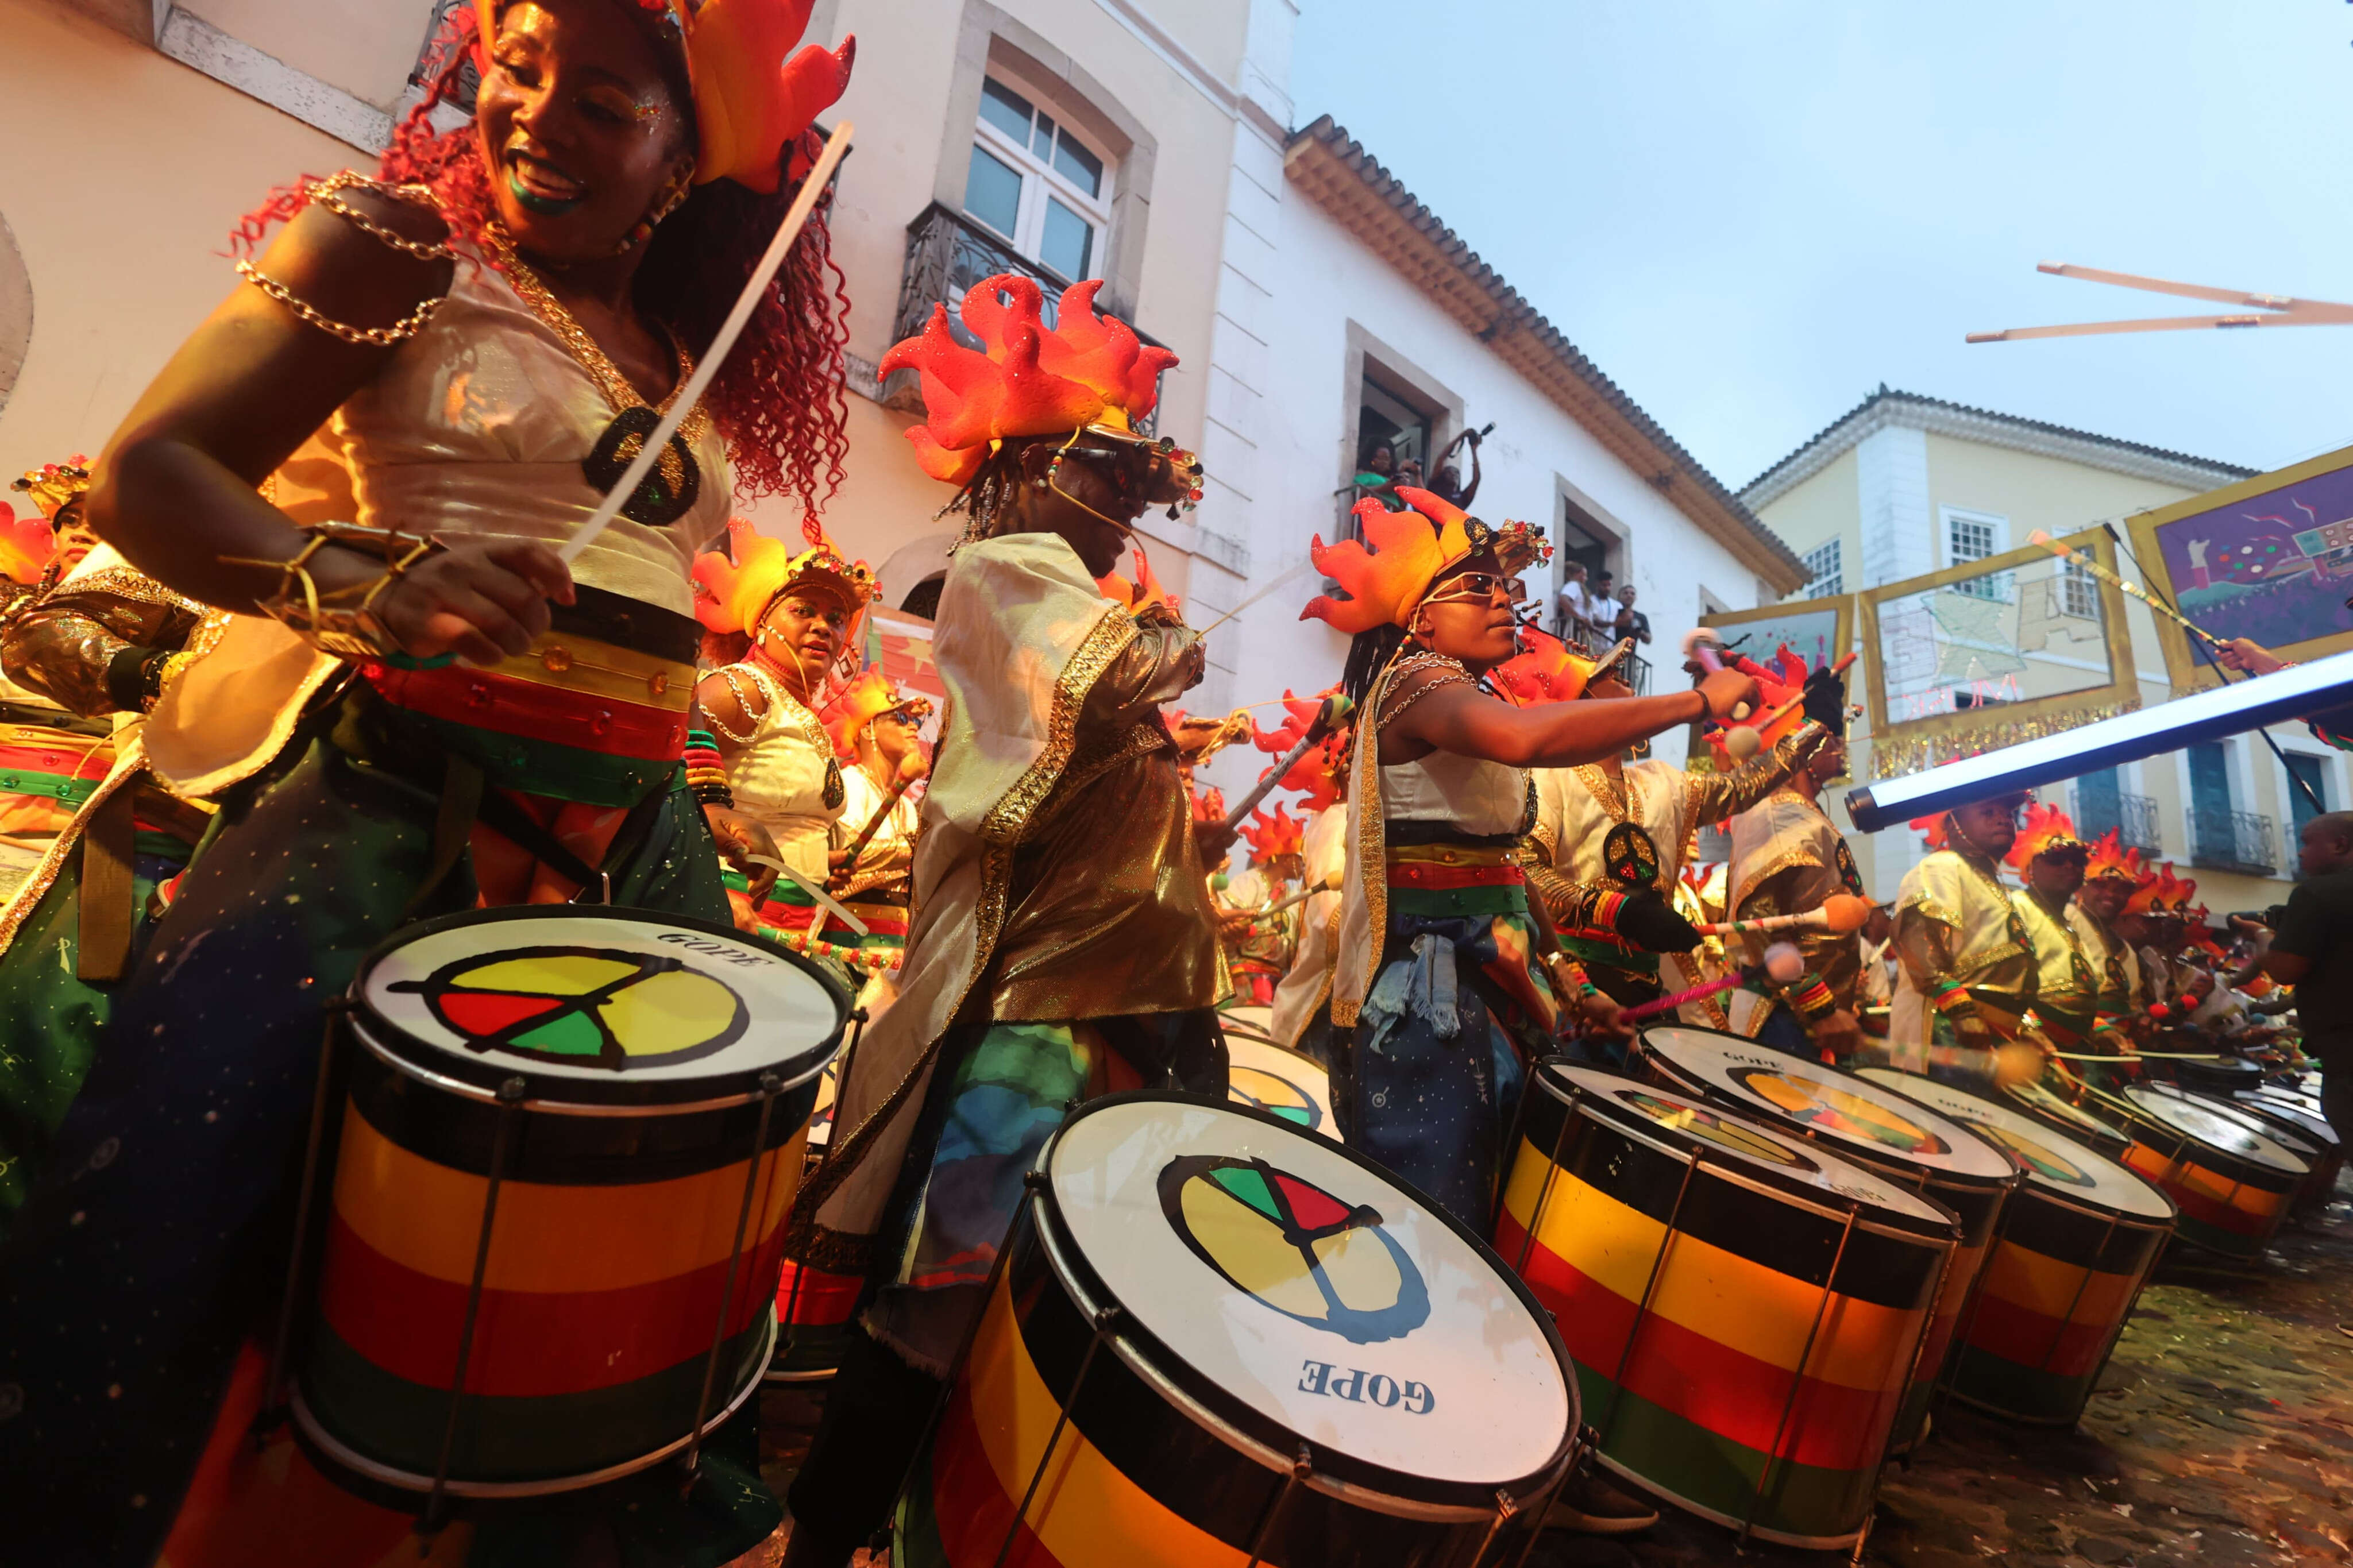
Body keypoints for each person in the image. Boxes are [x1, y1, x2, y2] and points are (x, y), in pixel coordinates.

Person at [0, 1, 857, 1559]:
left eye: (600, 100)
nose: (532, 116)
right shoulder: (392, 251)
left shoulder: (677, 354)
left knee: (601, 1271)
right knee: (182, 1211)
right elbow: (151, 472)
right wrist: (352, 576)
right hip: (390, 807)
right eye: (514, 70)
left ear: (680, 161)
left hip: (633, 858)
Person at [778, 272, 1230, 1568]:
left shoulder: (1070, 592)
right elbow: (1117, 669)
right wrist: (1166, 647)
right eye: (1112, 472)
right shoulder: (1004, 568)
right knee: (946, 1291)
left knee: (1102, 1285)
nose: (1133, 502)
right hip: (1039, 1004)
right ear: (1030, 472)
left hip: (1145, 996)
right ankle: (829, 1534)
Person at [1308, 489, 1753, 1222]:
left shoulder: (1465, 695)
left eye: (1504, 585)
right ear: (1421, 617)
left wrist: (1573, 986)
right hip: (1431, 994)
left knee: (1501, 1201)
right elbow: (1525, 741)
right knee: (1443, 1217)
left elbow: (1509, 870)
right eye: (1475, 586)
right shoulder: (1417, 678)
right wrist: (1694, 705)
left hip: (1492, 979)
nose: (1503, 599)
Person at [0, 461, 213, 1240]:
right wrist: (179, 677)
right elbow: (45, 640)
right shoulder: (204, 538)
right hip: (126, 859)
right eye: (73, 519)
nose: (86, 532)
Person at [1525, 642, 1832, 1033]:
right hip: (1576, 992)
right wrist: (1613, 910)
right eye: (1602, 674)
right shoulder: (1549, 776)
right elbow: (1525, 872)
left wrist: (1814, 726)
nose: (1622, 675)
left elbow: (1741, 787)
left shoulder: (1662, 781)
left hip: (1649, 993)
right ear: (1576, 701)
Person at [692, 516, 879, 941]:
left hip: (794, 929)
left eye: (836, 619)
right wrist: (710, 894)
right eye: (803, 610)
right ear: (762, 622)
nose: (823, 626)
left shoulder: (800, 713)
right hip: (726, 915)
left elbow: (790, 831)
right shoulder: (743, 688)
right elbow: (660, 784)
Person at [1721, 663, 1865, 1057]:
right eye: (1830, 736)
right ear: (1803, 746)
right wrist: (1820, 1007)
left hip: (1809, 1018)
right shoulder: (1775, 812)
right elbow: (1759, 921)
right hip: (1781, 1017)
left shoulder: (1805, 813)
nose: (1839, 745)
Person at [1888, 795, 2044, 1088]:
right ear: (1953, 823)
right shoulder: (1941, 866)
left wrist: (2027, 1025)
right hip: (1950, 1026)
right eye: (1988, 811)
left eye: (2009, 814)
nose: (2003, 819)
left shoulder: (1998, 886)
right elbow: (1920, 942)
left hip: (1991, 1033)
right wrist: (1961, 1011)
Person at [821, 665, 931, 985]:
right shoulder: (849, 785)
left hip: (891, 952)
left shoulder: (907, 807)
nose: (913, 727)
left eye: (916, 720)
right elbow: (849, 858)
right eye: (901, 718)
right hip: (844, 946)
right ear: (868, 728)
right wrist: (912, 851)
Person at [2259, 810, 2353, 1146]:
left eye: (2308, 842)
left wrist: (2262, 936)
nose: (2300, 853)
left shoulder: (2317, 893)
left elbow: (2284, 970)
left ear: (2340, 845)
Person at [2004, 803, 2105, 1055]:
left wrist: (2102, 1029)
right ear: (2030, 868)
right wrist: (2026, 1026)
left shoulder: (2070, 924)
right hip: (2030, 1047)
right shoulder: (2015, 907)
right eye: (2057, 859)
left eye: (2078, 860)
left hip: (2070, 1046)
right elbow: (2001, 981)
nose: (2070, 867)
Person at [1218, 802, 1306, 1007]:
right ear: (1285, 860)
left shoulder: (1293, 896)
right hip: (1242, 978)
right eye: (1299, 859)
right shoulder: (1249, 882)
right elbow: (1225, 930)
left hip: (1280, 983)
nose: (1303, 866)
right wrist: (1236, 970)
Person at [2072, 831, 2150, 1048]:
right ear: (2081, 887)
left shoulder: (2127, 951)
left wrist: (2140, 1021)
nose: (2111, 895)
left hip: (2116, 1048)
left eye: (2120, 890)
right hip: (2072, 1039)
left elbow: (2132, 1005)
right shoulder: (2066, 919)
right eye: (2101, 886)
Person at [1428, 423, 1485, 509]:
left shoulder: (1462, 498)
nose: (1454, 474)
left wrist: (1474, 450)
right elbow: (1441, 458)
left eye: (1457, 473)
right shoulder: (1435, 485)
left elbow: (1476, 480)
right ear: (1443, 475)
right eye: (1450, 472)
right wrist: (1461, 436)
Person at [1554, 560, 1588, 642]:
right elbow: (1563, 600)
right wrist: (1579, 617)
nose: (1586, 579)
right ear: (1578, 574)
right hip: (1574, 627)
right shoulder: (1573, 585)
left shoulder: (1576, 587)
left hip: (1577, 628)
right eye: (1584, 575)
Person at [1586, 569, 1621, 639]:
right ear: (1598, 585)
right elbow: (1591, 621)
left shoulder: (1617, 605)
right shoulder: (1590, 600)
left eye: (1609, 585)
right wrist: (1612, 624)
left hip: (1610, 645)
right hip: (1593, 643)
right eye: (1604, 585)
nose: (1607, 588)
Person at [1614, 581, 1652, 646]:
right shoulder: (1613, 612)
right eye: (1626, 593)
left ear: (1636, 598)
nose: (1629, 595)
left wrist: (1640, 632)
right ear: (1619, 596)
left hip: (1628, 654)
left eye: (1632, 594)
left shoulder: (1640, 617)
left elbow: (1648, 640)